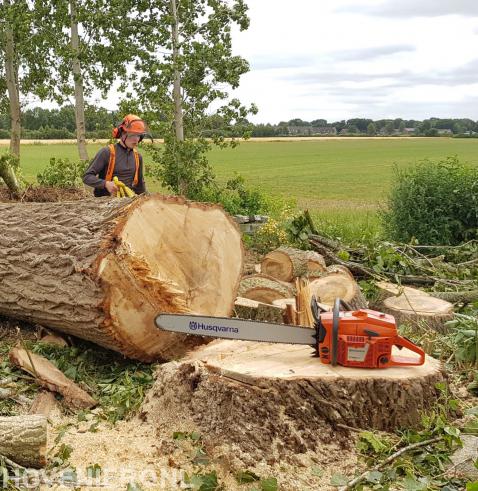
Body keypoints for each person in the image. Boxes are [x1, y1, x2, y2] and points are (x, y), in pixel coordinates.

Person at [83, 114, 148, 196]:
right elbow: (87, 177)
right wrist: (106, 184)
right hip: (104, 203)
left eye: (139, 135)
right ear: (122, 134)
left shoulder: (138, 157)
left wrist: (147, 199)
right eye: (132, 135)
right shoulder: (107, 153)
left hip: (127, 202)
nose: (136, 139)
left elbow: (140, 185)